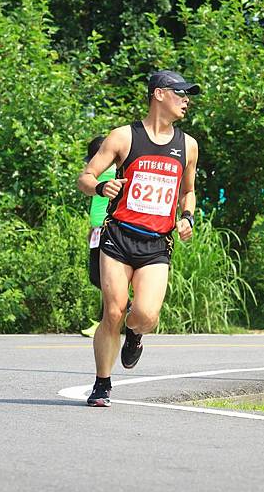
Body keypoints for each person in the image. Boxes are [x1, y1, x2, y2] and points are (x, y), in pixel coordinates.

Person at [78, 70, 200, 406]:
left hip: (156, 244)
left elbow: (188, 192)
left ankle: (135, 335)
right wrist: (101, 186)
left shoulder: (187, 145)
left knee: (146, 316)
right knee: (113, 312)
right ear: (159, 94)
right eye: (181, 93)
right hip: (118, 238)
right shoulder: (123, 137)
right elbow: (85, 177)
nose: (186, 100)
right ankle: (102, 384)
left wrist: (187, 216)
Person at [81, 135, 117, 338]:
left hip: (106, 228)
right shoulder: (106, 175)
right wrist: (92, 228)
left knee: (100, 277)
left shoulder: (107, 173)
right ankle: (107, 320)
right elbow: (97, 203)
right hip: (98, 229)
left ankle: (124, 307)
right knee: (102, 278)